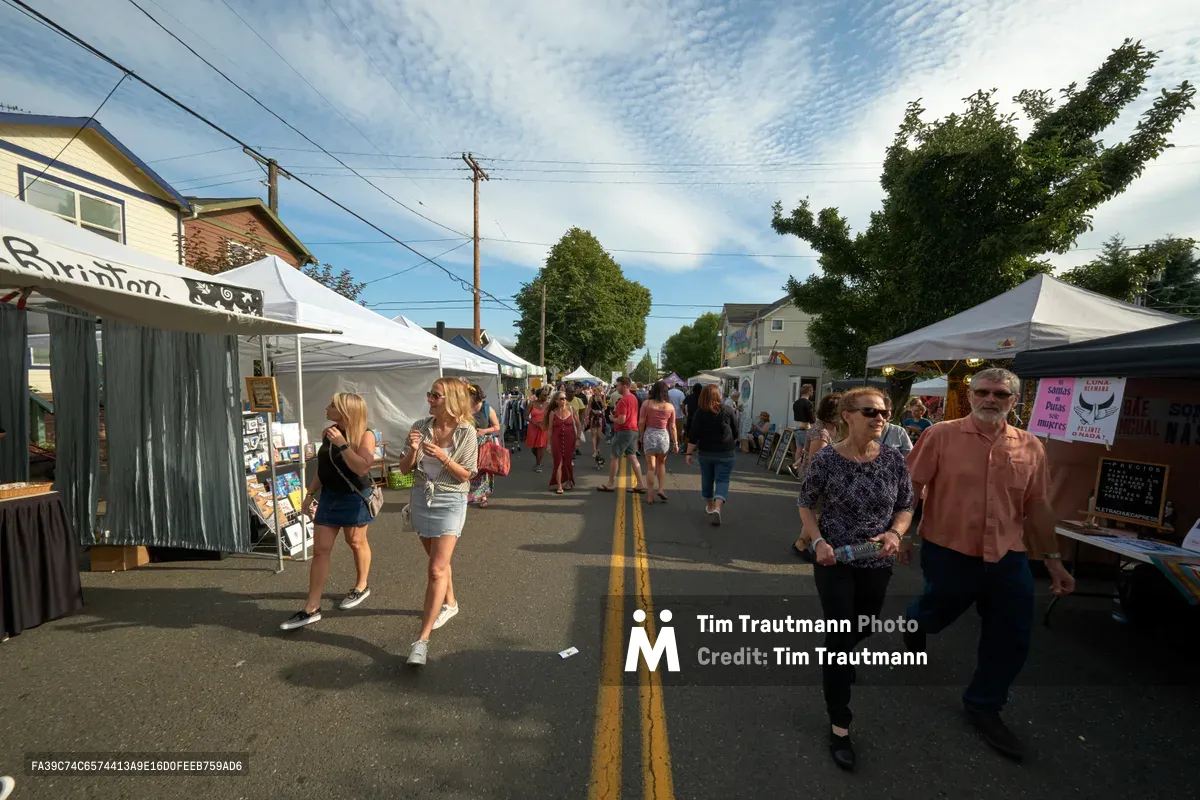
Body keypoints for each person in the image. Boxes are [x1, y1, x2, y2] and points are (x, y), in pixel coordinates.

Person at [901, 368, 1075, 760]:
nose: (990, 400)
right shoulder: (941, 435)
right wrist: (903, 534)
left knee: (1012, 635)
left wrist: (1054, 561)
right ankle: (917, 622)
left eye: (1000, 394)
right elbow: (911, 486)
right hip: (949, 549)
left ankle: (984, 705)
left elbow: (1038, 505)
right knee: (936, 611)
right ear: (971, 395)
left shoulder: (1031, 446)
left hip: (1008, 556)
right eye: (982, 392)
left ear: (1014, 400)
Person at [797, 387, 914, 771]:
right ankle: (840, 723)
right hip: (834, 560)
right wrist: (817, 542)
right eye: (871, 412)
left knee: (864, 624)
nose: (880, 418)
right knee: (839, 634)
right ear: (847, 415)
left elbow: (905, 506)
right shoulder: (827, 460)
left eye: (884, 413)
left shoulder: (894, 460)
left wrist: (895, 534)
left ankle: (842, 652)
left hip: (876, 561)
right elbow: (806, 503)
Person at [397, 379, 480, 666]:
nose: (430, 398)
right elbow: (405, 469)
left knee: (435, 569)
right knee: (439, 563)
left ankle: (421, 641)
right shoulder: (420, 425)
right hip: (421, 497)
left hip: (450, 500)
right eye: (429, 394)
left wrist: (443, 457)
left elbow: (466, 475)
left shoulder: (467, 431)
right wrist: (412, 450)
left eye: (436, 395)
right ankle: (451, 603)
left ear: (452, 399)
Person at [281, 393, 378, 631]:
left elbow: (363, 466)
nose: (327, 408)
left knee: (356, 541)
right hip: (329, 497)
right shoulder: (329, 432)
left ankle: (361, 585)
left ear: (346, 410)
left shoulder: (366, 435)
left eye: (332, 405)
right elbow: (322, 470)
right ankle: (311, 607)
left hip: (354, 497)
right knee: (321, 550)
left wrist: (342, 445)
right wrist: (310, 494)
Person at [790, 393, 842, 558]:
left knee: (817, 512)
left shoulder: (835, 427)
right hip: (816, 478)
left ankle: (803, 543)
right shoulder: (821, 431)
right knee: (816, 512)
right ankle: (802, 544)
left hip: (828, 477)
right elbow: (816, 461)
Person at [684, 384, 738, 526]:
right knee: (722, 480)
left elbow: (693, 435)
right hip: (726, 452)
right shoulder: (728, 410)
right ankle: (718, 507)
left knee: (707, 478)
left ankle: (710, 506)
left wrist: (689, 453)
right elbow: (736, 430)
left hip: (706, 452)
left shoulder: (700, 412)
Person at [596, 376, 647, 494]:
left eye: (618, 385)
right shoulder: (633, 398)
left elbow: (622, 419)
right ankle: (640, 483)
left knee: (614, 457)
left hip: (624, 431)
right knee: (632, 457)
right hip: (633, 430)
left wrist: (612, 418)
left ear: (624, 386)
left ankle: (610, 484)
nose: (616, 387)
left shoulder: (624, 400)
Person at [639, 380, 678, 504]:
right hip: (663, 437)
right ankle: (661, 489)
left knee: (650, 467)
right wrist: (676, 443)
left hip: (650, 435)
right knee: (661, 464)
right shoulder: (670, 407)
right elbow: (672, 426)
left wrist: (641, 435)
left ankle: (650, 495)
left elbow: (641, 421)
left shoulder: (647, 403)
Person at [467, 385, 501, 509]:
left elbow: (497, 427)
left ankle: (483, 497)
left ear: (475, 396)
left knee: (483, 471)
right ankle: (469, 495)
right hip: (468, 445)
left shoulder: (486, 408)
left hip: (483, 445)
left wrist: (484, 431)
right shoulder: (464, 409)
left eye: (468, 396)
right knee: (469, 470)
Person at [545, 390, 581, 493]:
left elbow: (578, 425)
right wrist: (548, 444)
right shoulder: (552, 413)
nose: (564, 400)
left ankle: (569, 481)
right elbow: (550, 429)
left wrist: (578, 439)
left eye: (565, 398)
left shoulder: (571, 410)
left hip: (570, 440)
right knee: (558, 463)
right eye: (561, 399)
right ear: (556, 400)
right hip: (557, 440)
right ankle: (559, 485)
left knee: (568, 462)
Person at [525, 388, 550, 472]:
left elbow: (552, 415)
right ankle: (538, 460)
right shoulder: (532, 404)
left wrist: (547, 423)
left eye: (547, 394)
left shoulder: (548, 404)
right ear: (538, 395)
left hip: (543, 428)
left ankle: (538, 465)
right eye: (544, 395)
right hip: (533, 427)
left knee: (541, 447)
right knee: (534, 448)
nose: (546, 396)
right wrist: (534, 422)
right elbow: (525, 416)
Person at [586, 387, 608, 469]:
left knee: (599, 434)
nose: (595, 392)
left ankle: (597, 447)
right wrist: (587, 417)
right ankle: (595, 450)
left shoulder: (602, 397)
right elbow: (589, 407)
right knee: (593, 434)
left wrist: (601, 400)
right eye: (594, 391)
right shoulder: (591, 398)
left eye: (597, 391)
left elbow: (604, 406)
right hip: (593, 415)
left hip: (599, 415)